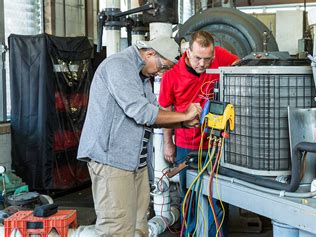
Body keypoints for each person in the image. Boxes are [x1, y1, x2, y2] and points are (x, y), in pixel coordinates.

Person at [77, 36, 202, 236]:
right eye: (163, 67)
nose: (163, 73)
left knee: (138, 225)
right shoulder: (119, 66)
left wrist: (183, 122)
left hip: (135, 163)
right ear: (150, 53)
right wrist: (184, 115)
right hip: (112, 162)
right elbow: (141, 112)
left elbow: (154, 110)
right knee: (116, 228)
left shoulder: (141, 76)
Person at [159, 31, 239, 236]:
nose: (203, 64)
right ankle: (192, 233)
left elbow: (239, 65)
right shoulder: (172, 75)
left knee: (217, 197)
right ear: (188, 52)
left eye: (208, 59)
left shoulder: (219, 55)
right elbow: (166, 112)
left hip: (218, 144)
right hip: (187, 146)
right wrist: (168, 143)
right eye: (198, 58)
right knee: (191, 197)